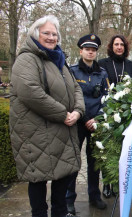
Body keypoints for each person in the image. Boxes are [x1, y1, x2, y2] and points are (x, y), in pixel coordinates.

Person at [9, 15, 85, 217]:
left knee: (62, 184)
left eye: (54, 34)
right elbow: (31, 92)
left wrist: (78, 111)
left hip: (62, 131)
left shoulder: (59, 59)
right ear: (35, 34)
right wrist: (63, 114)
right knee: (38, 182)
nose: (52, 37)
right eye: (46, 33)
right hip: (37, 134)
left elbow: (75, 87)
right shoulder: (27, 59)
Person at [65, 34, 109, 215]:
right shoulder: (72, 71)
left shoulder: (102, 73)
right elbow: (70, 97)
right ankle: (68, 199)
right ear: (81, 51)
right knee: (74, 163)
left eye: (93, 50)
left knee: (95, 162)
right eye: (87, 49)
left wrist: (98, 118)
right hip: (77, 123)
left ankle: (94, 195)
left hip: (96, 124)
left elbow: (107, 99)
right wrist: (83, 118)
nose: (90, 52)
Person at [98, 34, 132, 198]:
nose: (119, 47)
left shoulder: (131, 65)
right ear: (111, 47)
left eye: (122, 44)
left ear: (125, 47)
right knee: (108, 149)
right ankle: (107, 182)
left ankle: (120, 182)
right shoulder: (102, 64)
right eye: (116, 44)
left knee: (122, 149)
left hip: (126, 112)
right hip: (108, 112)